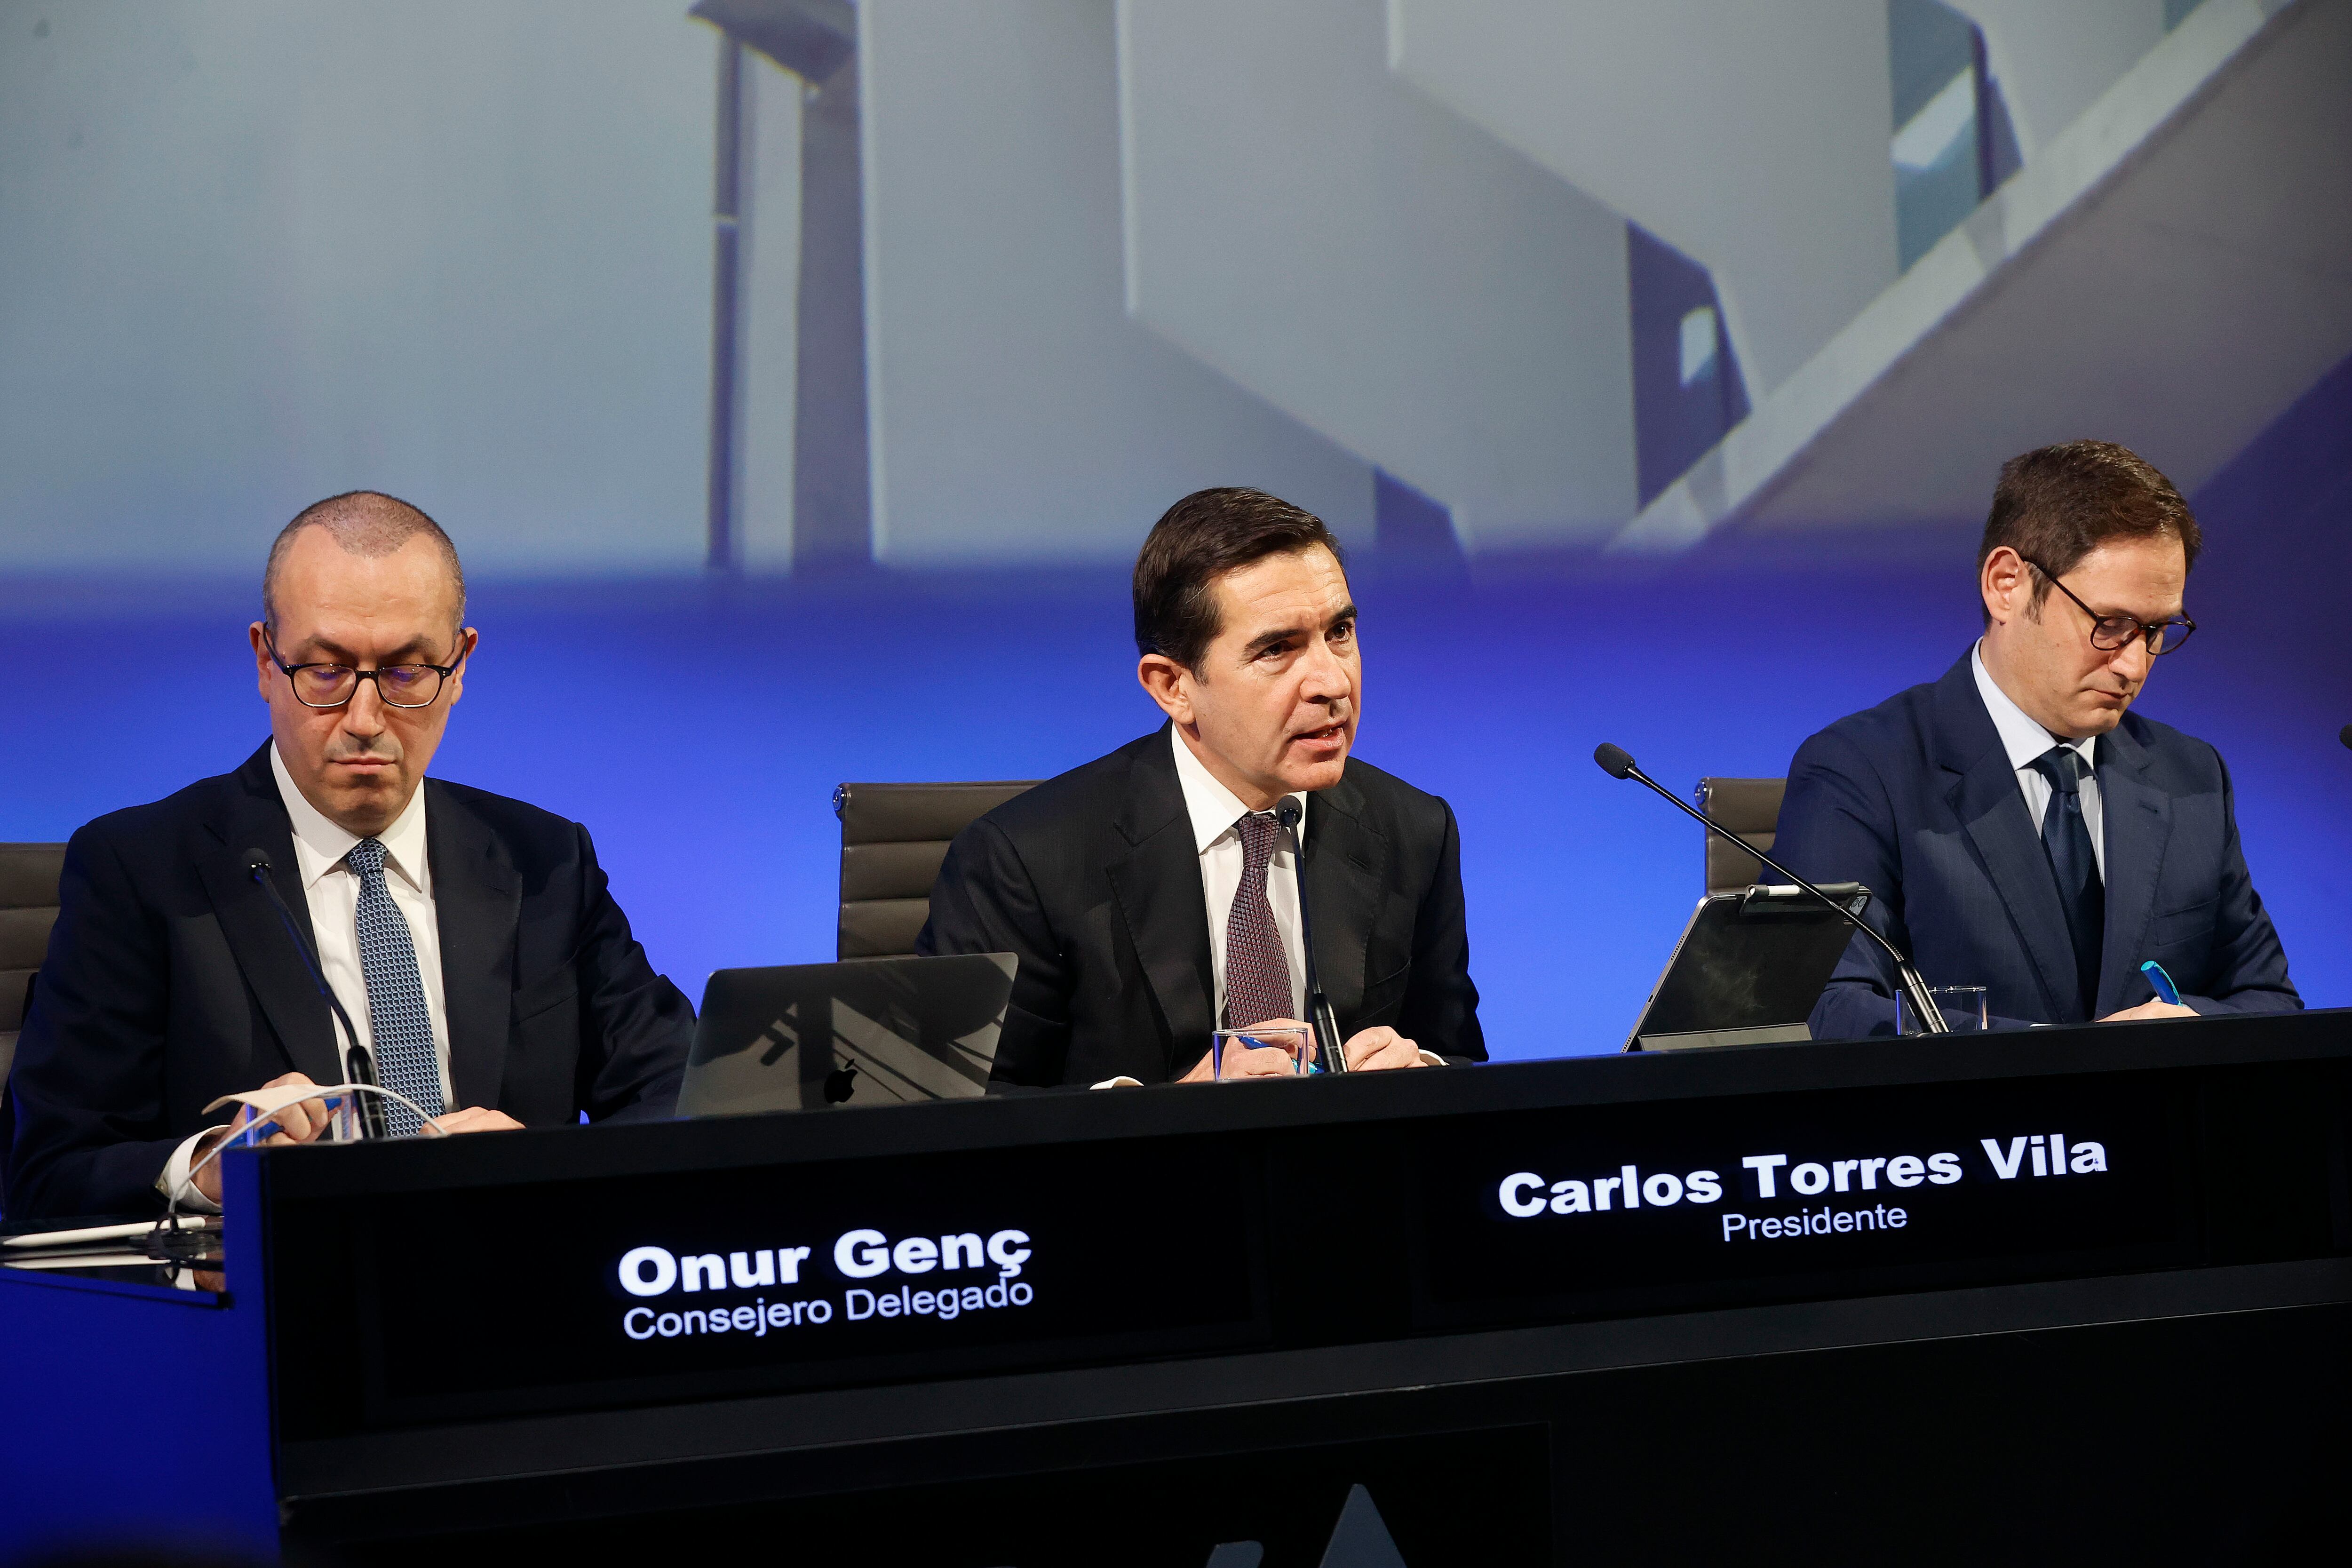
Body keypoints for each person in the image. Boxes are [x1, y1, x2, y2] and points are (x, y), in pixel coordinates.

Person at [4, 493, 694, 1221]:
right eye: (326, 671)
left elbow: (684, 1090)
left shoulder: (545, 861)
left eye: (405, 672)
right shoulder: (141, 870)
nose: (365, 721)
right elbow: (48, 1168)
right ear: (266, 661)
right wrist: (210, 1169)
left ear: (460, 665)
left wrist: (544, 1166)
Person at [919, 487, 1484, 1087]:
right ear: (1172, 687)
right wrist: (1162, 1121)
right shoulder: (1024, 863)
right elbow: (961, 1108)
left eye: (1339, 631)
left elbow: (1461, 1060)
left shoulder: (1414, 831)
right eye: (1276, 648)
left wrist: (1422, 1071)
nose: (1330, 681)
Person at [1774, 440, 2299, 1037]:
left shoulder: (2191, 777)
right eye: (2110, 625)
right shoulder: (1860, 770)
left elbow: (2267, 1001)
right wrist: (2054, 1062)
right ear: (2006, 585)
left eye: (2155, 630)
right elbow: (1832, 1009)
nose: (2133, 665)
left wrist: (2181, 1024)